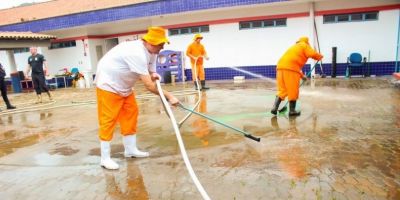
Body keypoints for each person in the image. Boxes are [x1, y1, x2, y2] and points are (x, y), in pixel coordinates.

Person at [95, 26, 179, 170]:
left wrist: (153, 74)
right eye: (160, 44)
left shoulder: (152, 52)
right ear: (150, 42)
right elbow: (149, 86)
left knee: (131, 114)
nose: (162, 47)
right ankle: (105, 158)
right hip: (108, 85)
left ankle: (130, 150)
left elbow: (150, 70)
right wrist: (170, 96)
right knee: (108, 120)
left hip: (125, 87)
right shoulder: (135, 53)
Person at [270, 37, 323, 116]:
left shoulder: (294, 47)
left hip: (280, 68)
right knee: (293, 90)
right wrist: (319, 56)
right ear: (307, 42)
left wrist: (302, 76)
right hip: (290, 69)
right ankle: (292, 111)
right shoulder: (304, 45)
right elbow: (311, 54)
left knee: (283, 90)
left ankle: (274, 107)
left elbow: (294, 65)